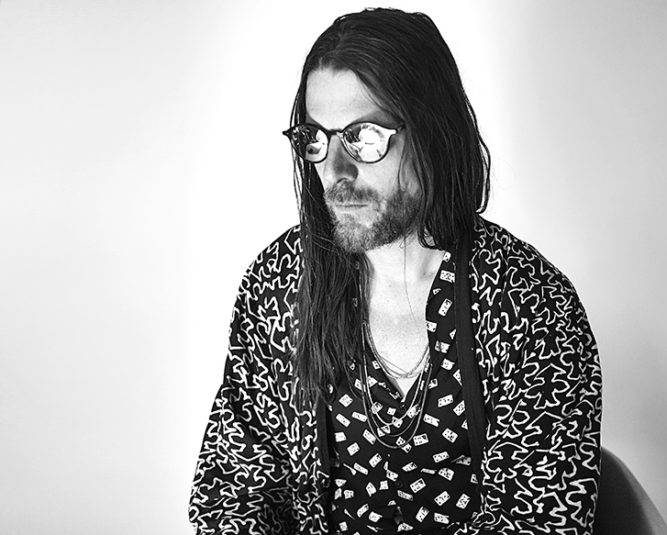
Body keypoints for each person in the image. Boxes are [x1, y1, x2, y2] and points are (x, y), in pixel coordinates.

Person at [189, 8, 601, 535]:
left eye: (363, 136)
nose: (335, 170)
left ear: (431, 132)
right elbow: (234, 487)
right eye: (317, 137)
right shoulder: (278, 286)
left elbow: (543, 520)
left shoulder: (531, 305)